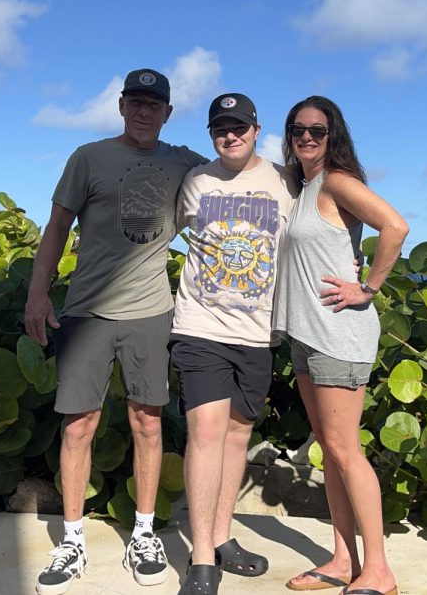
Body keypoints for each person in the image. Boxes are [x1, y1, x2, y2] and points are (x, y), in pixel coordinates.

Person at [24, 69, 206, 595]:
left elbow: (234, 171)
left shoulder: (185, 163)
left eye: (155, 104)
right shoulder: (88, 158)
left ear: (168, 113)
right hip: (86, 311)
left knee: (149, 423)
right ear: (121, 106)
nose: (145, 111)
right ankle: (73, 538)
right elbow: (56, 228)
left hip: (151, 312)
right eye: (137, 102)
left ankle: (144, 533)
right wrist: (38, 295)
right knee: (78, 426)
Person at [273, 95, 409, 595]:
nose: (307, 137)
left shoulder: (336, 181)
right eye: (298, 130)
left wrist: (368, 286)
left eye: (318, 130)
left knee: (345, 450)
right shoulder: (304, 186)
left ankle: (379, 570)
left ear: (334, 136)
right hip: (307, 334)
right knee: (329, 451)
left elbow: (395, 226)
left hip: (338, 333)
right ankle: (341, 560)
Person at [168, 92, 299, 595]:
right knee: (204, 431)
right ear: (211, 135)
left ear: (257, 129)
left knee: (238, 436)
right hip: (200, 326)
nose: (231, 135)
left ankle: (222, 537)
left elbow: (317, 230)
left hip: (258, 333)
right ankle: (201, 559)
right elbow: (161, 233)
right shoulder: (196, 181)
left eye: (239, 127)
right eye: (221, 128)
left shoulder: (286, 182)